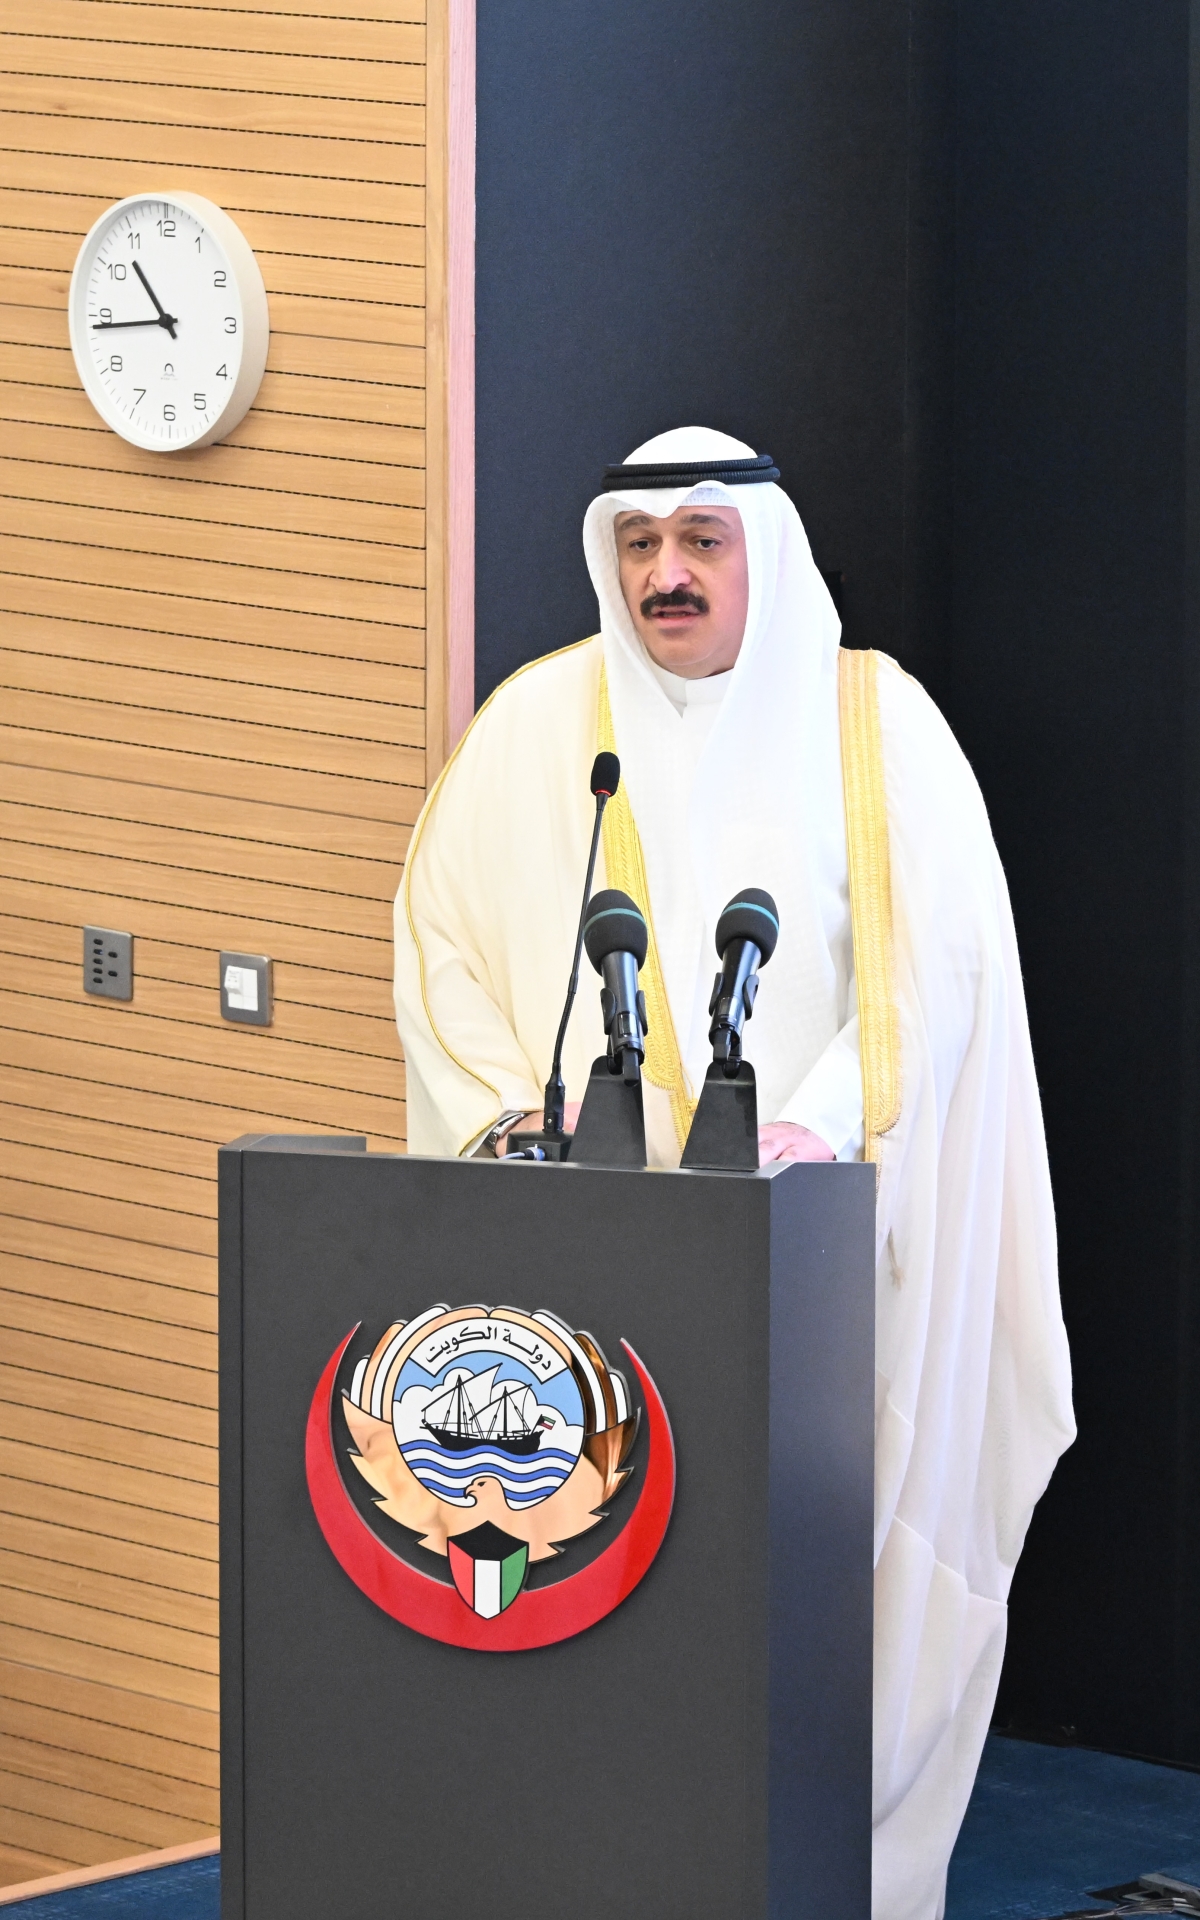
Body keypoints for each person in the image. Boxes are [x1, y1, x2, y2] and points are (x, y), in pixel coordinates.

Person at [393, 425, 1074, 1920]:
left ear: (766, 554)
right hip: (594, 1272)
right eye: (641, 545)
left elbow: (942, 969)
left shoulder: (874, 724)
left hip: (826, 1255)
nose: (668, 575)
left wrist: (820, 1124)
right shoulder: (537, 728)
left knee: (818, 1582)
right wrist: (509, 1118)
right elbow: (440, 946)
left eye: (702, 541)